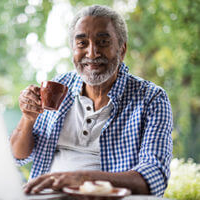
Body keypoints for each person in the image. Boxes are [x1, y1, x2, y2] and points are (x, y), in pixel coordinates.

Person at [10, 5, 173, 197]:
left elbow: (154, 178)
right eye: (82, 44)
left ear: (122, 50)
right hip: (45, 196)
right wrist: (28, 119)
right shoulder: (58, 87)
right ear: (73, 49)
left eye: (103, 42)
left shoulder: (151, 99)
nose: (92, 53)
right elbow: (17, 156)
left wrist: (84, 178)